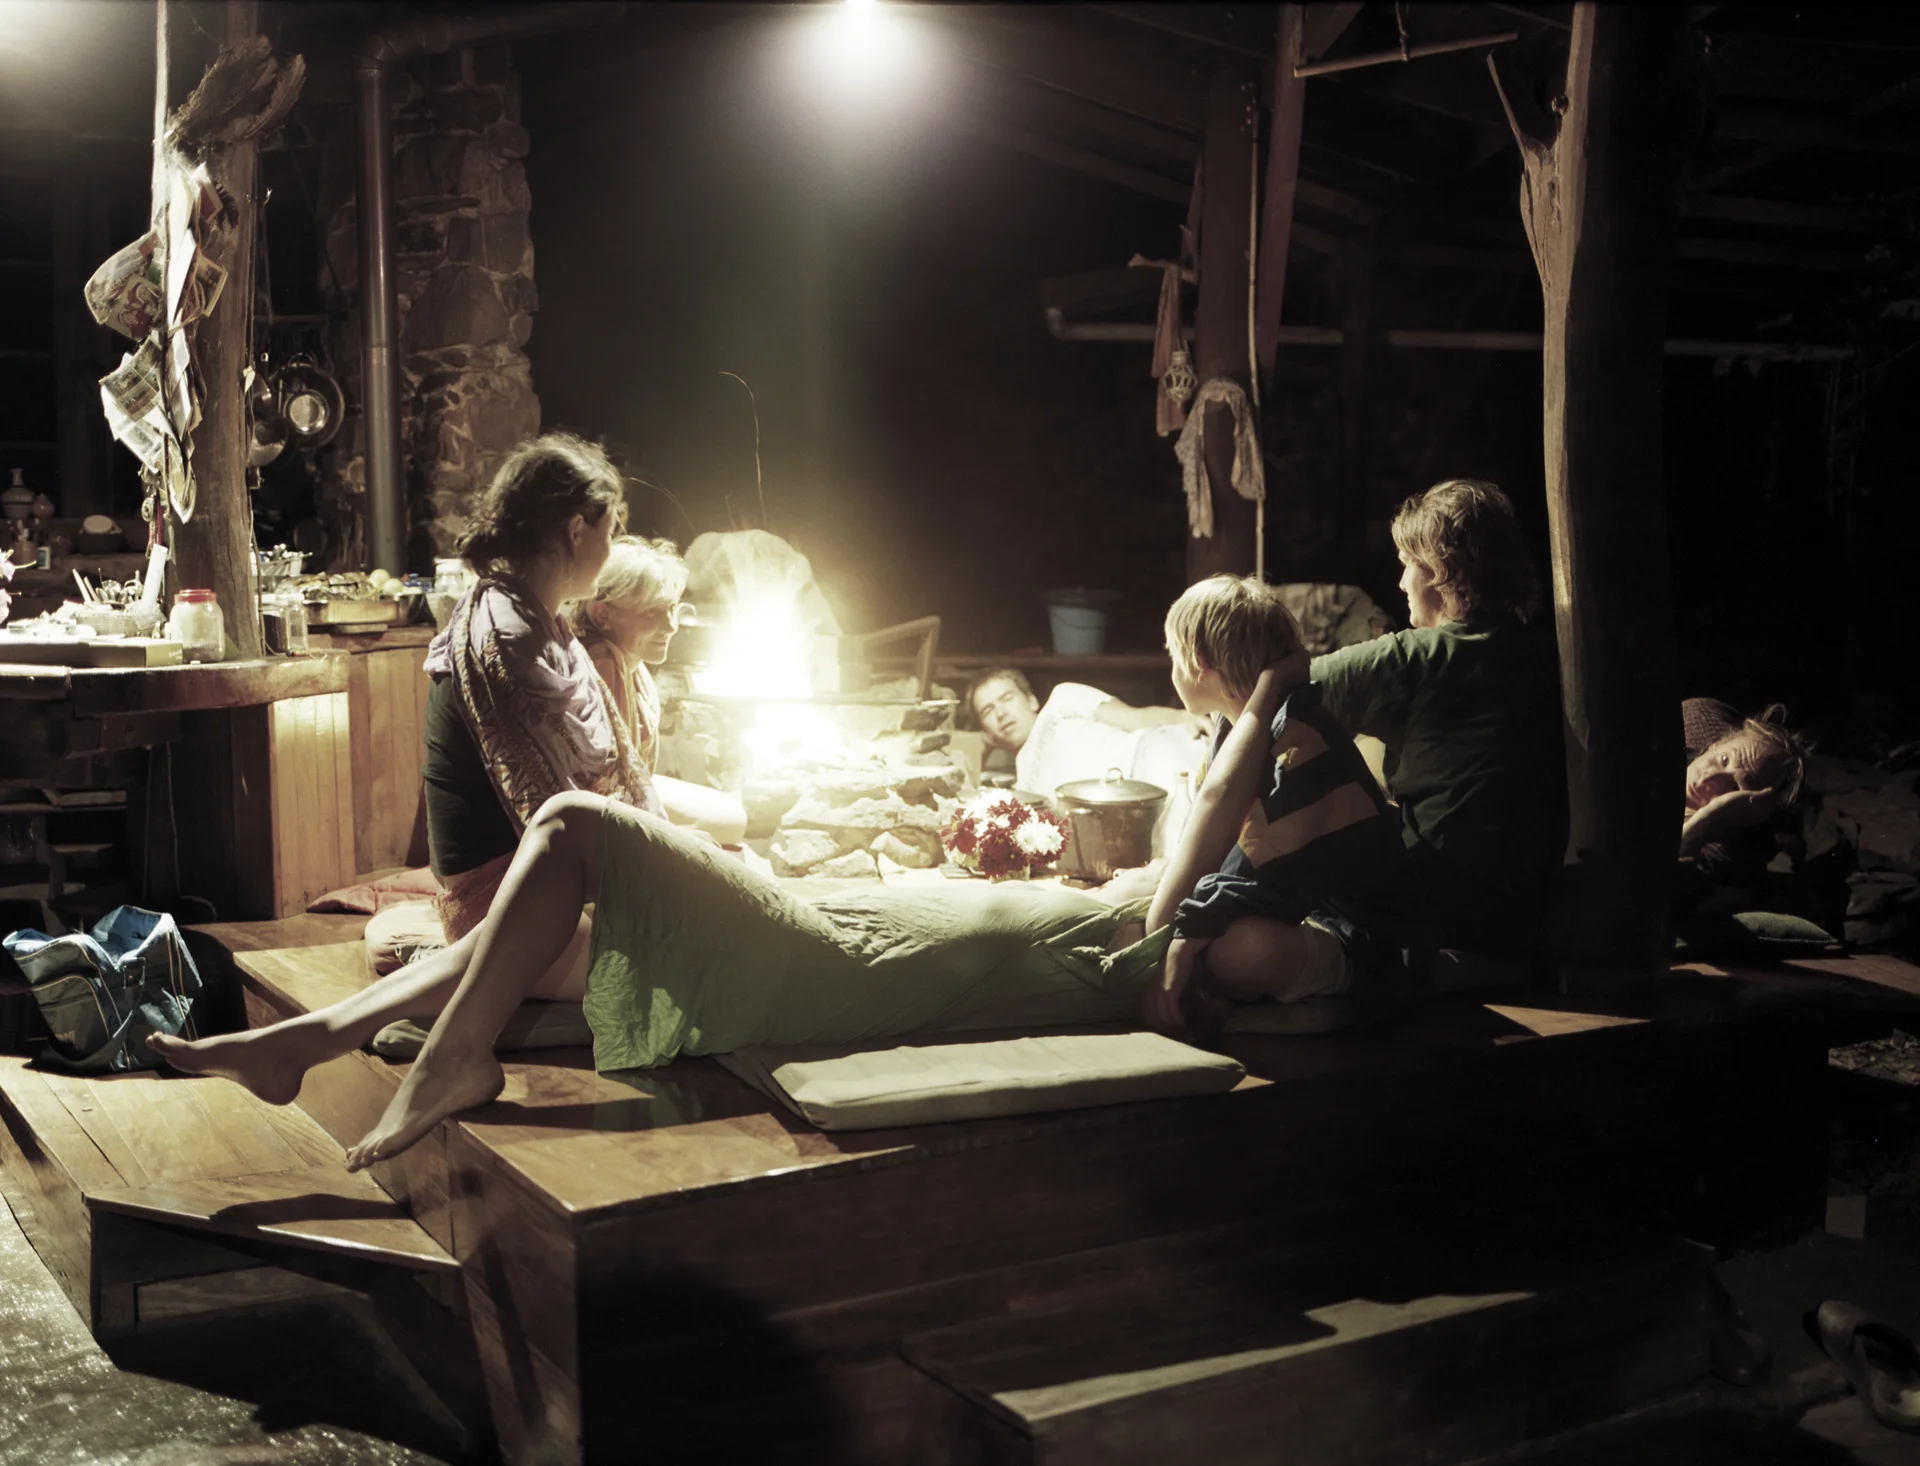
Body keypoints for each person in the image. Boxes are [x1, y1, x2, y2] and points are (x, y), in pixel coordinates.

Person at [365, 433, 654, 976]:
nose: (612, 549)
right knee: (684, 959)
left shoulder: (531, 615)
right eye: (610, 531)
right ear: (576, 530)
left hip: (533, 881)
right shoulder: (507, 635)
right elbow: (559, 811)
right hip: (501, 898)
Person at [1302, 480, 1566, 965]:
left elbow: (1289, 690)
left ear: (1441, 571)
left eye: (1407, 564)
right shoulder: (1540, 651)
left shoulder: (1415, 658)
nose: (1401, 583)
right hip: (1524, 909)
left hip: (1435, 910)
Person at [1141, 575, 1415, 1039]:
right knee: (1179, 921)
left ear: (1198, 662)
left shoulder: (1300, 741)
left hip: (1361, 935)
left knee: (1238, 951)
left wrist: (1184, 940)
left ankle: (1335, 1005)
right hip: (1296, 907)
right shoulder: (1235, 730)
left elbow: (1260, 870)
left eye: (1173, 656)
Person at [565, 535, 747, 845]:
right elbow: (608, 790)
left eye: (672, 609)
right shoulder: (603, 663)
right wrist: (673, 840)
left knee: (732, 815)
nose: (671, 626)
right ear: (602, 614)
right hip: (607, 812)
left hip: (634, 793)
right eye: (651, 612)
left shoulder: (632, 663)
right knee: (728, 825)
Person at [969, 668, 1208, 800]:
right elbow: (967, 775)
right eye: (987, 710)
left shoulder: (1062, 699)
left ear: (1031, 700)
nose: (1001, 713)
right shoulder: (1024, 788)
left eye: (1007, 698)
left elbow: (1135, 718)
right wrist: (985, 743)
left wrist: (1180, 717)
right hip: (1131, 815)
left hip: (1153, 760)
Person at [1677, 698, 1810, 915]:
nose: (1707, 780)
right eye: (1723, 760)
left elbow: (1653, 897)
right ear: (1715, 745)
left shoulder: (1720, 851)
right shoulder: (1692, 723)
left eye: (1733, 787)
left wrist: (1704, 822)